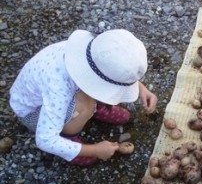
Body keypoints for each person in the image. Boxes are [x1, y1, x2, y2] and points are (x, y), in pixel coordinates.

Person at [9, 29, 158, 166]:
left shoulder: (93, 53)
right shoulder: (58, 87)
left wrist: (141, 89)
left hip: (57, 92)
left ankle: (94, 109)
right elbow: (45, 140)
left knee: (87, 102)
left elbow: (113, 69)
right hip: (33, 111)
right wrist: (94, 150)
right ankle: (69, 139)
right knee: (84, 107)